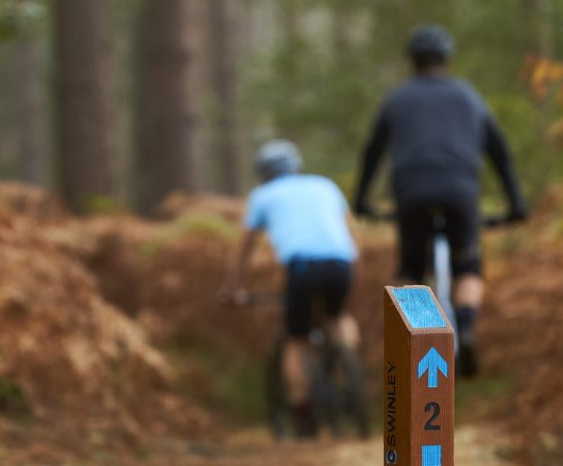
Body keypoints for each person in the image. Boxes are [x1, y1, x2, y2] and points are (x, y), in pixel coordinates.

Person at [352, 25, 528, 377]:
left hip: (411, 192)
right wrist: (515, 204)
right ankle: (465, 328)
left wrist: (361, 200)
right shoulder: (468, 97)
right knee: (468, 268)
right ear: (447, 59)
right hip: (460, 191)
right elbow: (500, 154)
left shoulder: (397, 99)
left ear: (412, 61)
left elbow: (372, 152)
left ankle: (415, 344)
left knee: (411, 269)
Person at [219, 140, 360, 438]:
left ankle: (303, 414)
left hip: (302, 267)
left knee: (297, 339)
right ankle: (349, 374)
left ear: (264, 173)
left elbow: (245, 249)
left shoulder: (263, 195)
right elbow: (350, 230)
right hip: (341, 262)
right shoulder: (324, 185)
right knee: (338, 317)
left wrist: (233, 287)